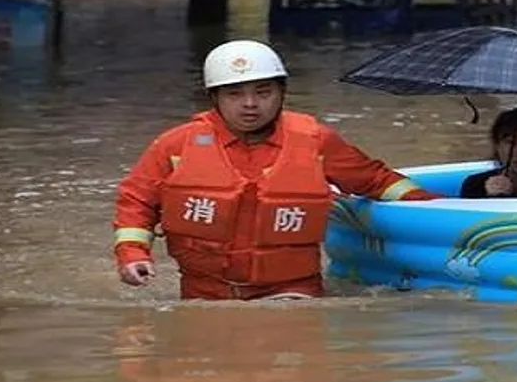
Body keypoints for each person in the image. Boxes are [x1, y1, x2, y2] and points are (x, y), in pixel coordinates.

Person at [111, 39, 440, 301]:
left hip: (292, 289)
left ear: (282, 94)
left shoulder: (316, 141)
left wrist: (436, 206)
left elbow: (376, 181)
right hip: (204, 293)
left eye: (263, 92)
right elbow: (137, 202)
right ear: (214, 98)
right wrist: (132, 255)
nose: (250, 104)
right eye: (235, 94)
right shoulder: (175, 145)